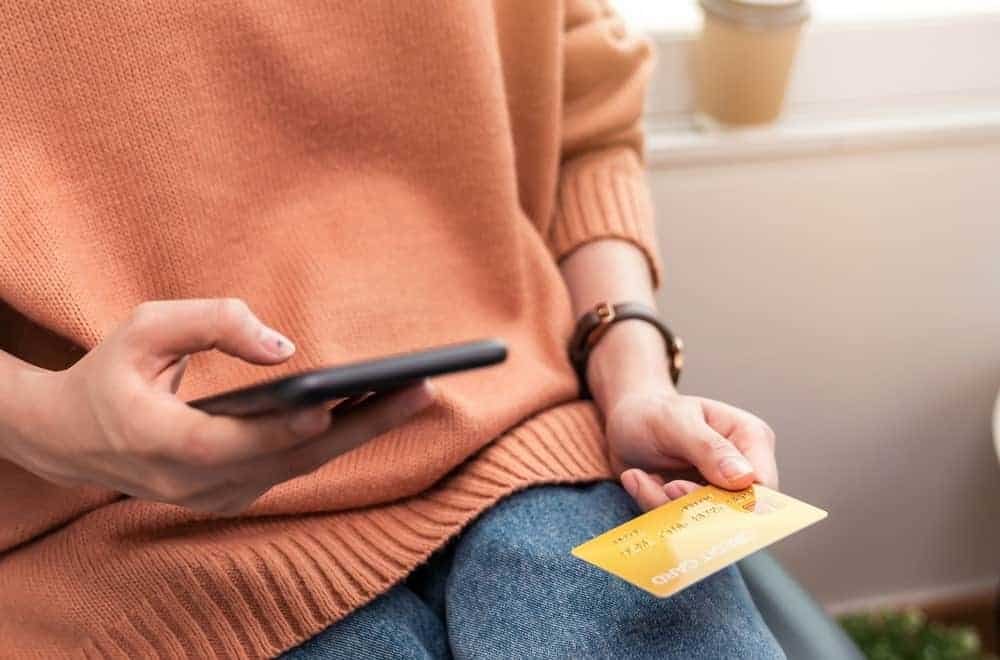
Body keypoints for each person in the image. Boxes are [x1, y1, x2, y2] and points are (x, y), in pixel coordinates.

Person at [0, 1, 783, 657]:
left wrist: (633, 377)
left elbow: (587, 119)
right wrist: (47, 424)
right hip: (123, 534)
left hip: (533, 448)